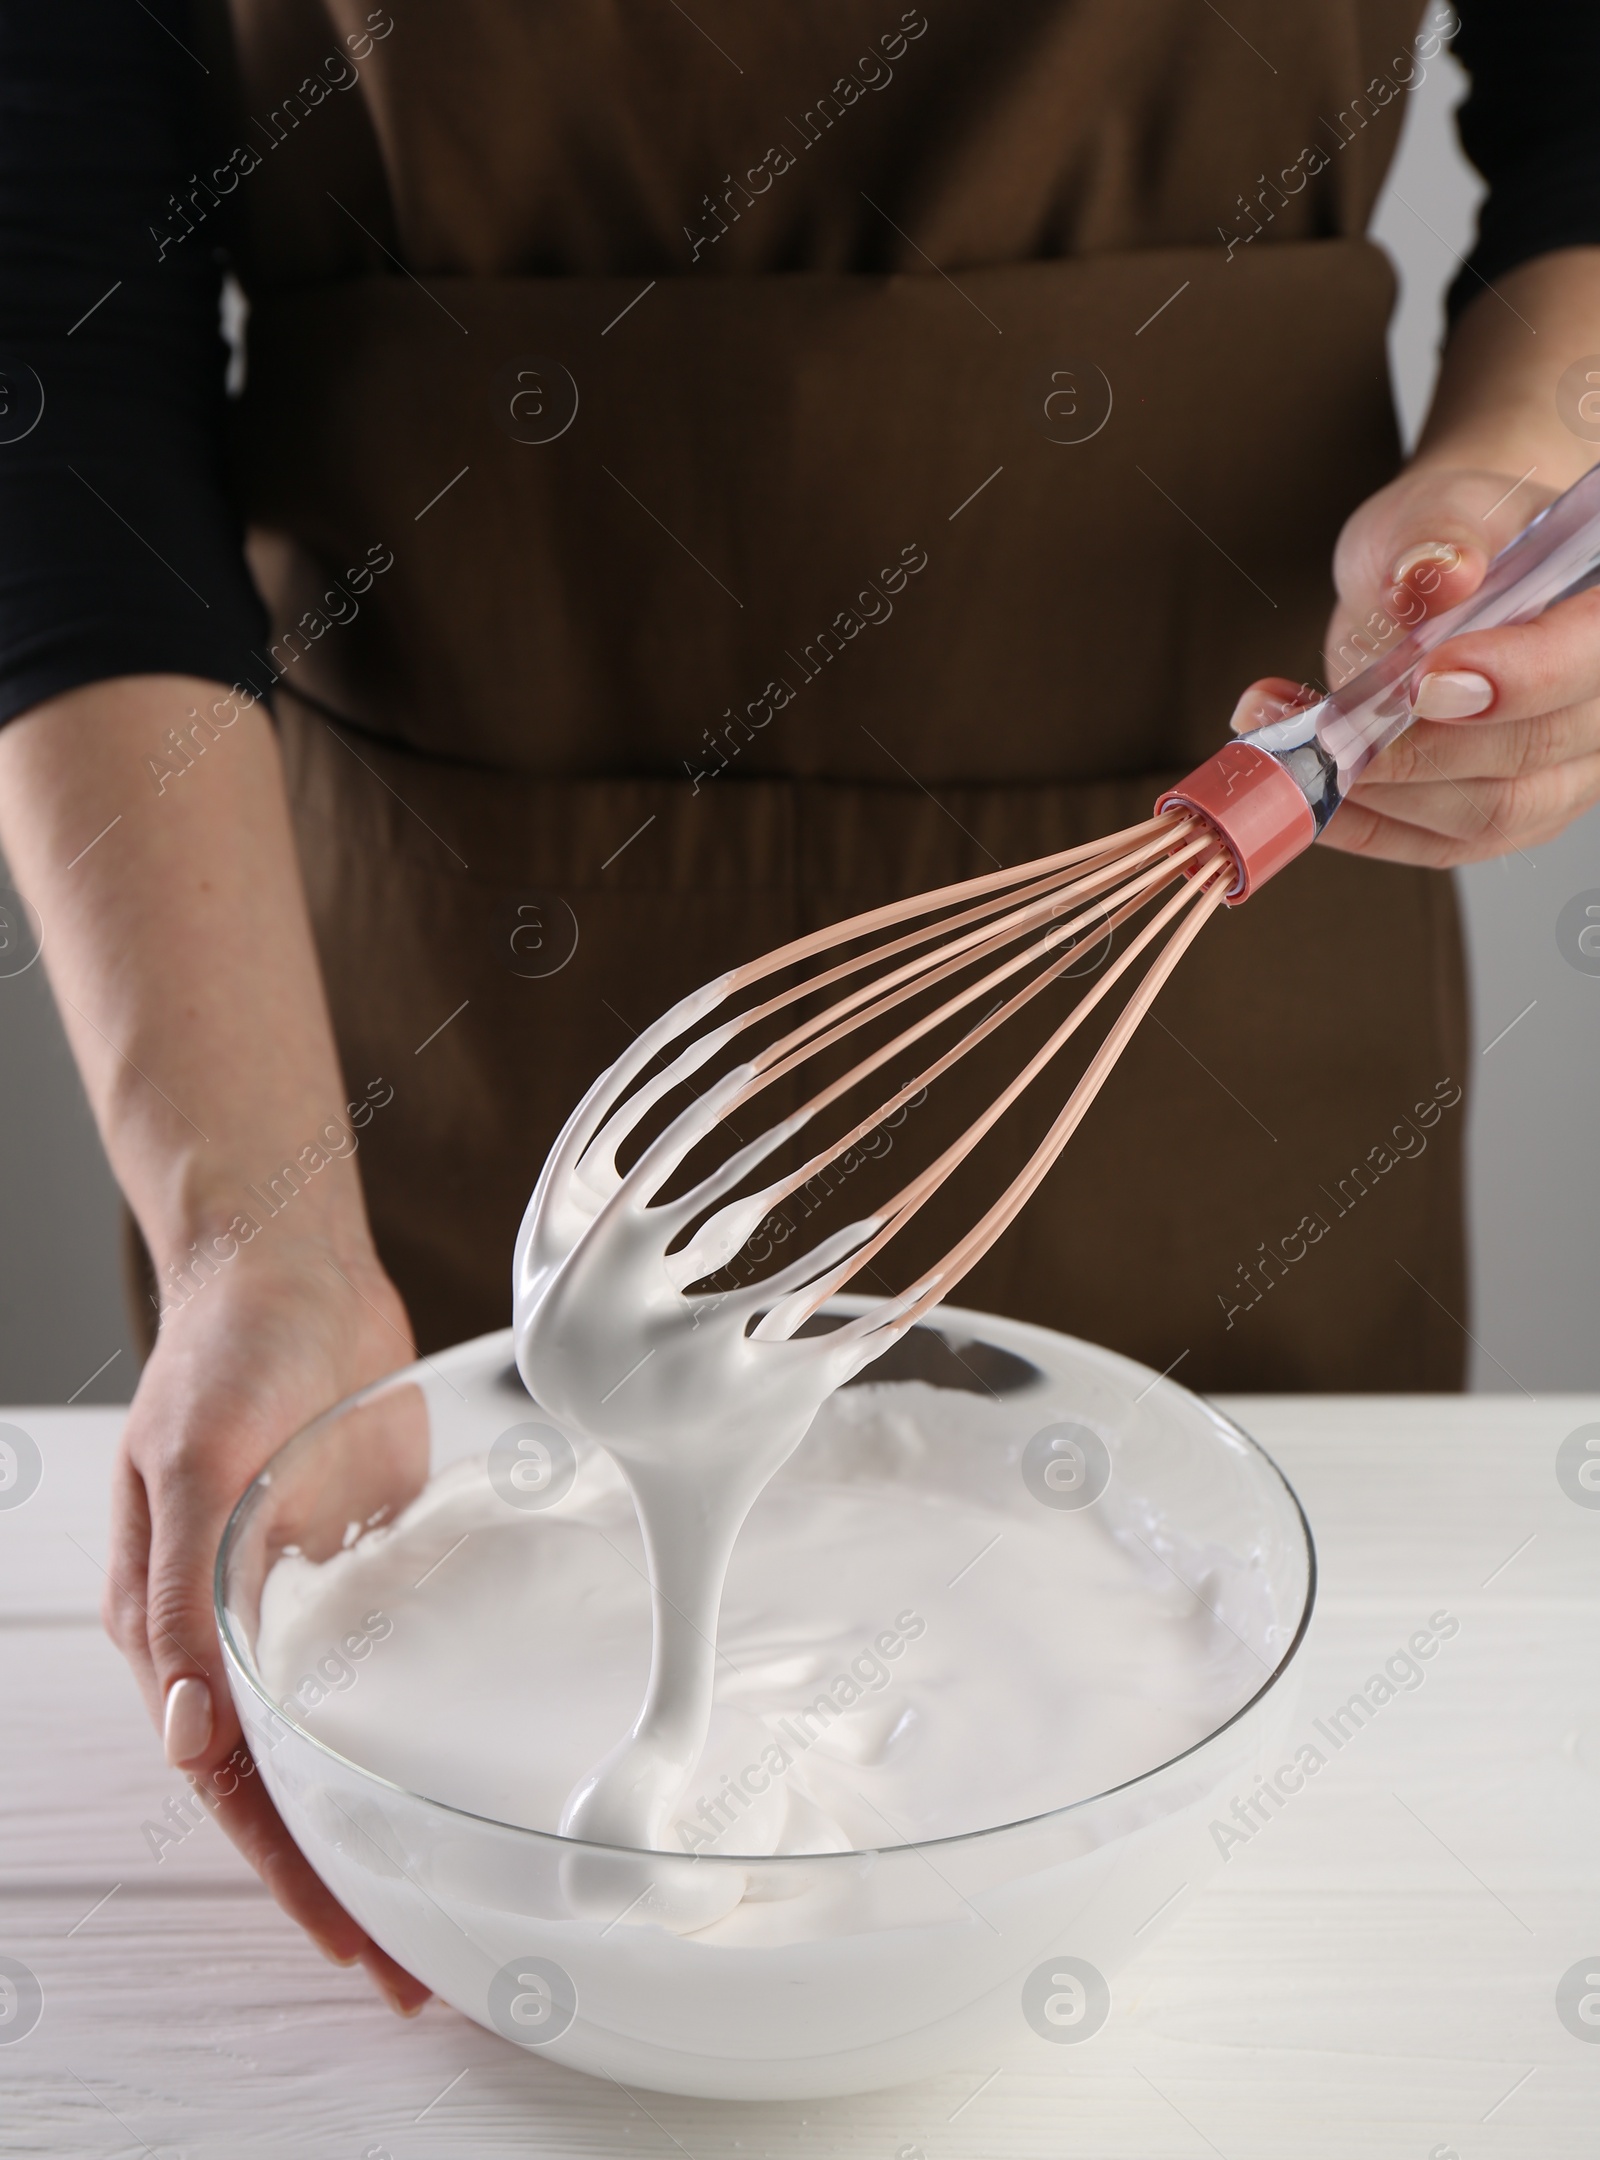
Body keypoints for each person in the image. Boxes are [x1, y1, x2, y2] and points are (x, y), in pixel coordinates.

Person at [0, 0, 1597, 2012]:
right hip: (393, 1009)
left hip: (1225, 1037)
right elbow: (56, 334)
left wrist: (1521, 477)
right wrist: (257, 1235)